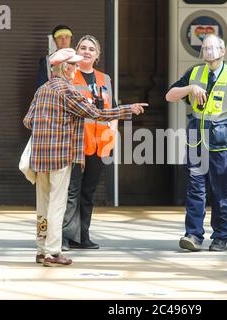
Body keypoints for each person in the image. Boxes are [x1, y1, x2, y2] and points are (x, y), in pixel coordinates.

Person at [23, 48, 146, 267]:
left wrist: (47, 128)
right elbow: (95, 114)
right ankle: (52, 252)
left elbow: (28, 120)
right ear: (66, 67)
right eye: (74, 65)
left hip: (40, 157)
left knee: (42, 203)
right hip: (60, 155)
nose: (77, 68)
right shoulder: (66, 90)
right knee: (57, 204)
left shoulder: (42, 89)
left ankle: (41, 249)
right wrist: (127, 109)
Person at [62, 35, 148, 251]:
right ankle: (64, 237)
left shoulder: (105, 79)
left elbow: (113, 109)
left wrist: (112, 131)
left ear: (97, 55)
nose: (87, 51)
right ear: (76, 51)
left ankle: (82, 236)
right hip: (76, 143)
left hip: (100, 144)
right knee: (71, 191)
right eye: (83, 47)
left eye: (91, 49)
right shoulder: (70, 76)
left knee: (88, 192)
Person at [165, 34, 227, 252]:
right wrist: (190, 89)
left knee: (223, 191)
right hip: (197, 142)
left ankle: (221, 237)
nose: (209, 51)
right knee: (195, 189)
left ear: (222, 52)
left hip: (224, 143)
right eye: (205, 48)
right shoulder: (194, 73)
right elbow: (170, 95)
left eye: (213, 48)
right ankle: (193, 235)